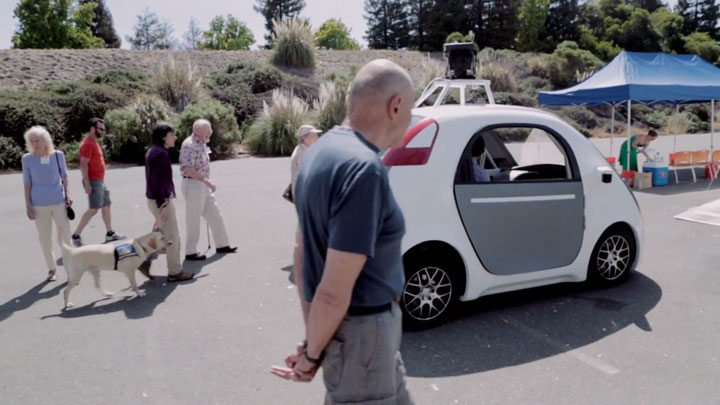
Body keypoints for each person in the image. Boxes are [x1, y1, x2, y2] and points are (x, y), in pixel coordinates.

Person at [271, 59, 415, 404]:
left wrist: (314, 342)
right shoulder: (364, 170)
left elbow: (302, 253)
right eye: (410, 110)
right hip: (364, 340)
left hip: (357, 341)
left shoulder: (319, 153)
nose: (409, 121)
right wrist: (311, 355)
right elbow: (334, 292)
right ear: (395, 106)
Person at [142, 123, 194, 282]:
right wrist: (163, 204)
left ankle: (143, 260)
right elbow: (158, 181)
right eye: (172, 135)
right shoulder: (160, 154)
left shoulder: (154, 151)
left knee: (160, 233)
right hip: (161, 201)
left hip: (155, 200)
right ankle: (175, 272)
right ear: (164, 137)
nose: (175, 138)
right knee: (172, 237)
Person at [179, 119, 237, 261]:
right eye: (207, 129)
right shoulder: (189, 145)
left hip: (202, 184)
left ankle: (222, 244)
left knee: (214, 214)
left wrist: (206, 182)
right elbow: (187, 168)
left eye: (210, 129)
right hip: (193, 184)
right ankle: (190, 251)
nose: (210, 132)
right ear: (197, 131)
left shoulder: (202, 143)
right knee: (193, 218)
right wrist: (206, 181)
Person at [21, 126, 73, 282]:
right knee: (44, 238)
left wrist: (68, 194)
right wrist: (28, 204)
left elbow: (65, 176)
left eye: (38, 140)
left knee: (65, 236)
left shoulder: (58, 155)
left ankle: (71, 269)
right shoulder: (27, 159)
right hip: (38, 204)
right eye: (32, 141)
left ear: (45, 140)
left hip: (58, 200)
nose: (35, 143)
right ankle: (51, 269)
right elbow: (27, 182)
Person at [71, 118, 124, 246]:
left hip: (99, 180)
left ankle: (110, 234)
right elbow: (83, 164)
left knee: (106, 205)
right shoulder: (88, 143)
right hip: (93, 180)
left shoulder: (94, 142)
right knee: (94, 209)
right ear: (92, 128)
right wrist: (87, 183)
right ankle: (76, 235)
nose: (103, 131)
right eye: (101, 129)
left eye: (104, 129)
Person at [290, 124, 321, 197]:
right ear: (305, 138)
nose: (317, 137)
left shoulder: (304, 149)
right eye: (313, 135)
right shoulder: (302, 153)